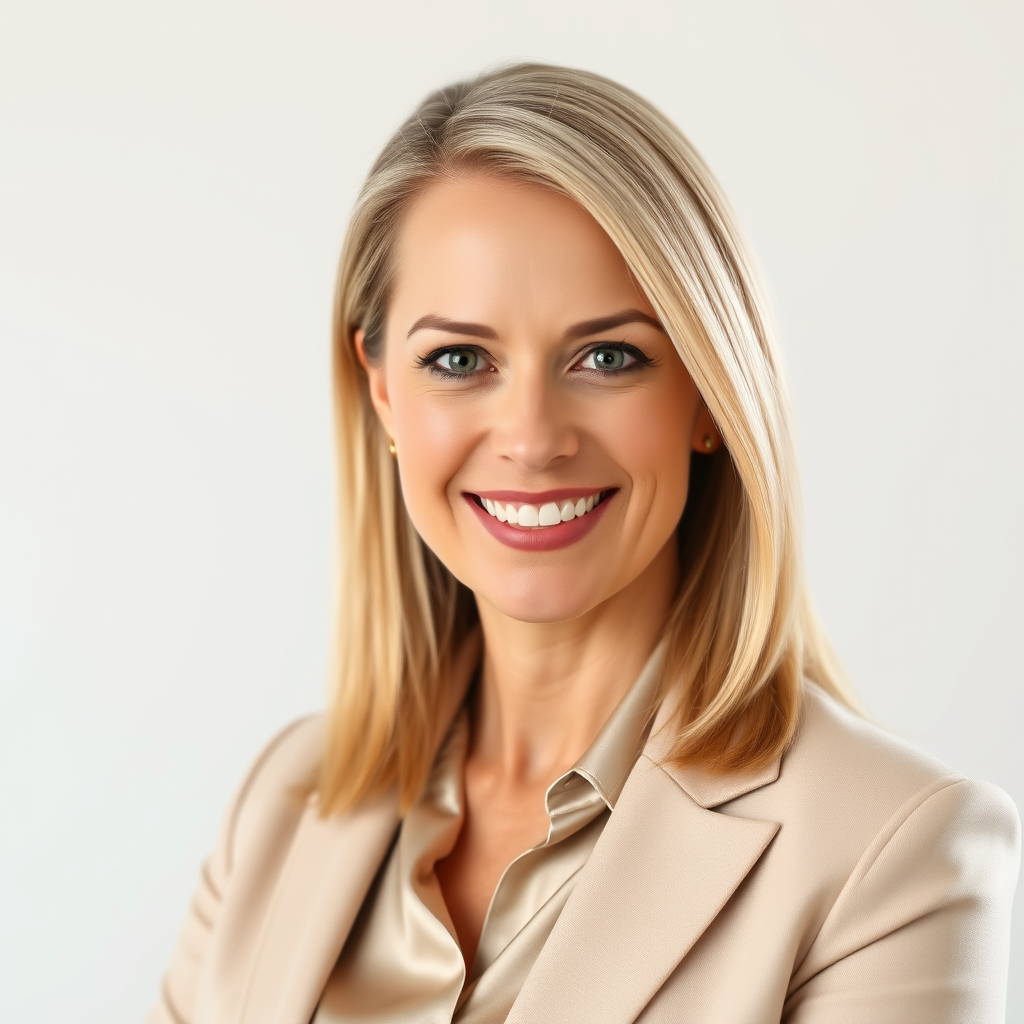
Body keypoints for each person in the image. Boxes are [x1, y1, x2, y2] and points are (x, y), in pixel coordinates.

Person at [147, 63, 1020, 1024]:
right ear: (384, 391)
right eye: (459, 360)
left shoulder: (892, 854)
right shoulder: (282, 801)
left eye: (608, 357)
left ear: (707, 394)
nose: (531, 437)